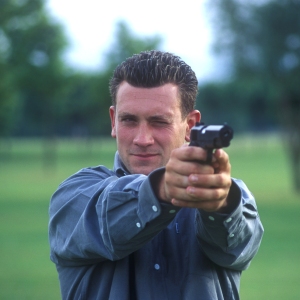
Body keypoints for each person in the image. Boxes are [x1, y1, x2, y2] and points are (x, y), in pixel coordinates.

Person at [49, 50, 263, 300]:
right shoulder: (74, 194)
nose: (142, 139)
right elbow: (105, 219)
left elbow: (234, 244)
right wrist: (163, 189)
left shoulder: (228, 194)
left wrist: (221, 204)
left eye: (159, 122)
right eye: (129, 120)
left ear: (190, 125)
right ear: (113, 121)